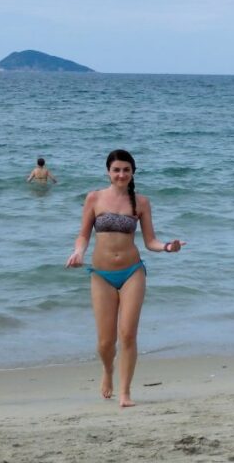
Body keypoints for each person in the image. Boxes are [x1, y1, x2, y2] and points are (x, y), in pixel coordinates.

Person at [65, 149, 185, 407]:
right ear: (108, 172)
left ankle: (125, 393)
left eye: (126, 170)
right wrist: (78, 252)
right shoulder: (94, 198)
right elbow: (83, 235)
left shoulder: (140, 202)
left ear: (133, 173)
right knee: (106, 342)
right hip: (101, 275)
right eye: (116, 170)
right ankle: (107, 371)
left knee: (128, 334)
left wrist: (167, 247)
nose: (121, 174)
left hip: (133, 272)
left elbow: (150, 240)